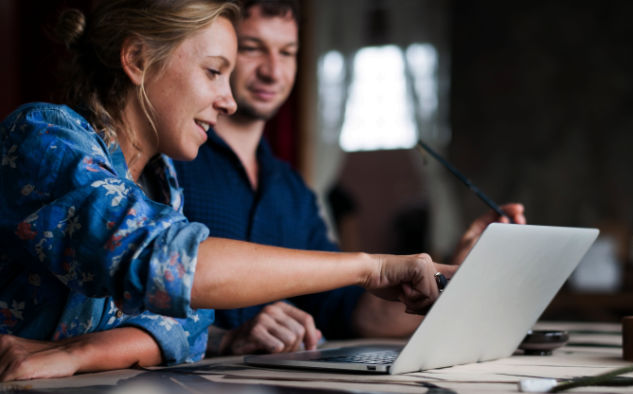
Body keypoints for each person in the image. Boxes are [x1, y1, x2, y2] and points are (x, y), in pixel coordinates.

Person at [0, 0, 453, 382]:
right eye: (214, 71)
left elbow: (187, 322)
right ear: (137, 60)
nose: (229, 99)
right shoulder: (43, 137)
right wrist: (370, 267)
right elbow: (172, 267)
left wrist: (81, 353)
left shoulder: (162, 181)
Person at [173, 0, 526, 357]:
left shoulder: (292, 188)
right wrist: (222, 338)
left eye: (288, 52)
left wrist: (457, 279)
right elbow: (138, 287)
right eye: (252, 49)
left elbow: (345, 309)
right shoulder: (172, 161)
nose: (273, 71)